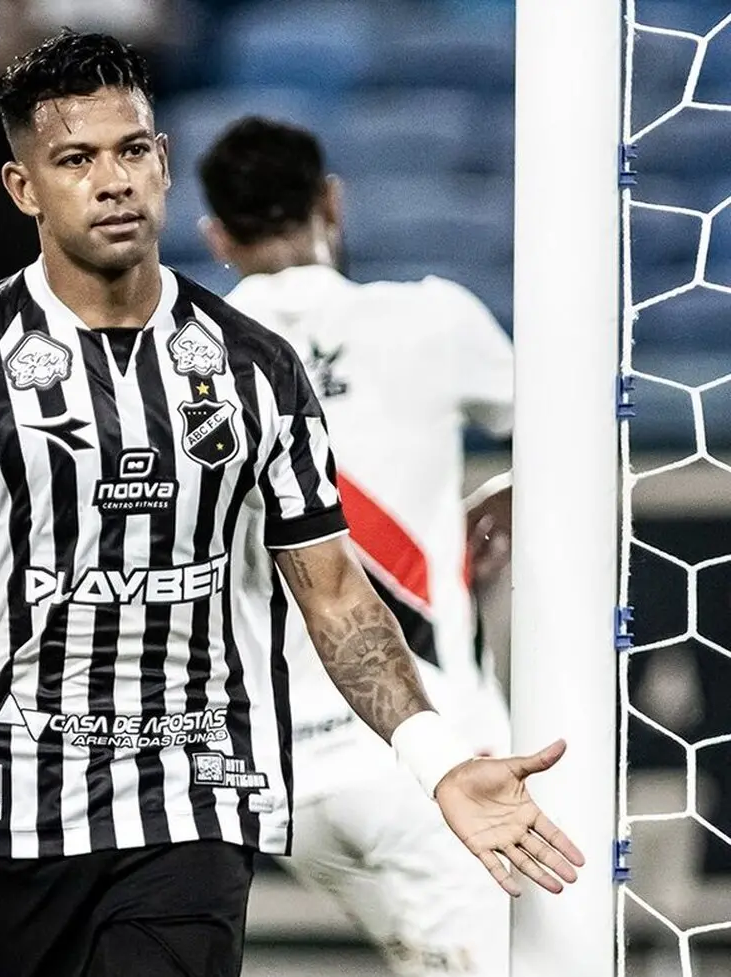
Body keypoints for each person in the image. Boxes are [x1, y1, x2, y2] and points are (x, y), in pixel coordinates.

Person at [0, 32, 582, 977]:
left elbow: (336, 596)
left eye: (132, 151)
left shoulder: (255, 370)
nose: (113, 182)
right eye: (76, 160)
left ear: (163, 162)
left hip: (189, 804)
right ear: (24, 188)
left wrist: (438, 758)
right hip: (7, 818)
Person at [196, 115, 517, 975]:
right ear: (331, 202)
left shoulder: (184, 360)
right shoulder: (432, 319)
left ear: (217, 236)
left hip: (283, 781)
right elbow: (575, 427)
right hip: (428, 752)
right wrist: (509, 494)